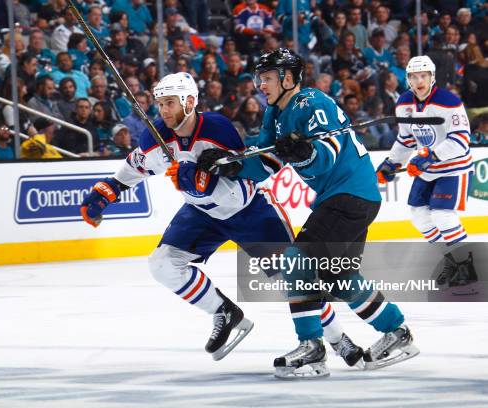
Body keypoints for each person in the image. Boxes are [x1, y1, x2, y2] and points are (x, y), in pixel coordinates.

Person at [80, 72, 357, 363]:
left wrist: (197, 179)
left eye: (170, 103)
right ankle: (224, 312)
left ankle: (338, 339)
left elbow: (242, 177)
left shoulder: (217, 128)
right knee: (162, 264)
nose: (163, 110)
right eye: (160, 103)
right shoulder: (156, 135)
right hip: (201, 214)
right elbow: (135, 166)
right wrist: (104, 193)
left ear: (189, 101)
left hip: (250, 211)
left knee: (295, 277)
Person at [238, 48, 419, 378]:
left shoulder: (313, 103)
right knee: (338, 276)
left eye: (266, 79)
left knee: (296, 262)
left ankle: (312, 347)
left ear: (288, 78)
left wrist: (305, 150)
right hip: (347, 197)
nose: (260, 85)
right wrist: (228, 165)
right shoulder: (273, 116)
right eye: (258, 79)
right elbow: (265, 164)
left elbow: (328, 155)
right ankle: (397, 332)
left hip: (349, 194)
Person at [376, 56, 474, 288]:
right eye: (413, 77)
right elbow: (407, 138)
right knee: (420, 218)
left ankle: (466, 266)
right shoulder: (404, 103)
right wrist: (391, 162)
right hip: (427, 170)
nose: (419, 81)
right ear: (408, 80)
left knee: (442, 216)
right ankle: (451, 262)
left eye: (423, 76)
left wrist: (430, 156)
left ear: (432, 77)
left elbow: (461, 139)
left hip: (453, 167)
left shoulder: (449, 102)